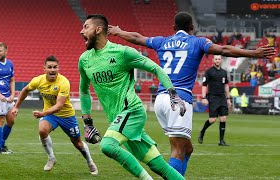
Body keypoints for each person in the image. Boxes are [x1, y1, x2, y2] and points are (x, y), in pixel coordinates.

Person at [108, 11, 275, 176]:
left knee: (187, 148)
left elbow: (137, 38)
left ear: (173, 27)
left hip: (160, 99)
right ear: (192, 27)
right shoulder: (198, 41)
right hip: (179, 99)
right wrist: (253, 53)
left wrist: (119, 31)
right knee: (178, 149)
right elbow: (223, 49)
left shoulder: (162, 41)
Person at [79, 14, 185, 180]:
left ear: (98, 29)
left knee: (107, 145)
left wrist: (172, 93)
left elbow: (156, 69)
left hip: (132, 111)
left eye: (86, 27)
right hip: (118, 119)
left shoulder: (123, 53)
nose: (81, 31)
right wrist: (87, 123)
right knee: (159, 166)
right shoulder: (84, 60)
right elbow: (84, 91)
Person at [11, 56, 98, 174]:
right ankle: (51, 158)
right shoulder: (38, 80)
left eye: (55, 67)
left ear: (58, 68)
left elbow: (59, 106)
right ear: (44, 69)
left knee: (77, 143)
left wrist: (42, 113)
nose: (52, 70)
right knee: (42, 130)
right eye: (50, 67)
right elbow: (25, 90)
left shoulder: (64, 82)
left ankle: (90, 161)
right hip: (50, 115)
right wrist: (16, 106)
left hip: (67, 116)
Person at [198, 55, 231, 146]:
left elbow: (226, 86)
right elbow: (204, 85)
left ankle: (221, 141)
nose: (217, 60)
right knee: (212, 120)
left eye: (219, 59)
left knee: (223, 118)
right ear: (213, 60)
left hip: (222, 97)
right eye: (216, 59)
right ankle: (202, 131)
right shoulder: (209, 72)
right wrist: (204, 97)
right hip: (213, 97)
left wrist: (228, 98)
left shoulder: (224, 72)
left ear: (221, 60)